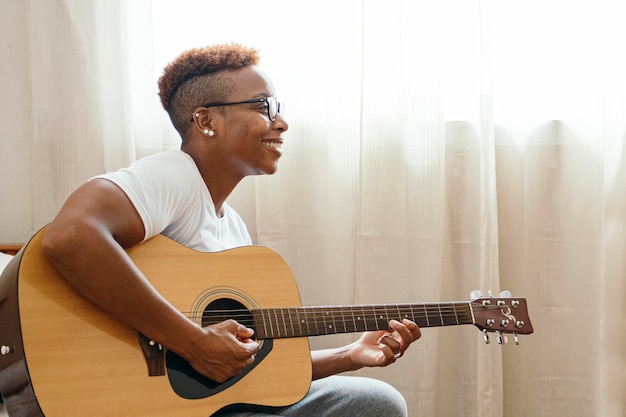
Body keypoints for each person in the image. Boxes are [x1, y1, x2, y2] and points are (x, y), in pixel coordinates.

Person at [42, 43, 422, 417]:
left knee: (374, 399)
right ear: (206, 121)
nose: (282, 122)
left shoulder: (233, 228)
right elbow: (71, 235)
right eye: (263, 106)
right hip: (139, 400)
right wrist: (192, 342)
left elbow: (250, 369)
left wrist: (350, 354)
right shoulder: (176, 174)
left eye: (279, 108)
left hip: (210, 404)